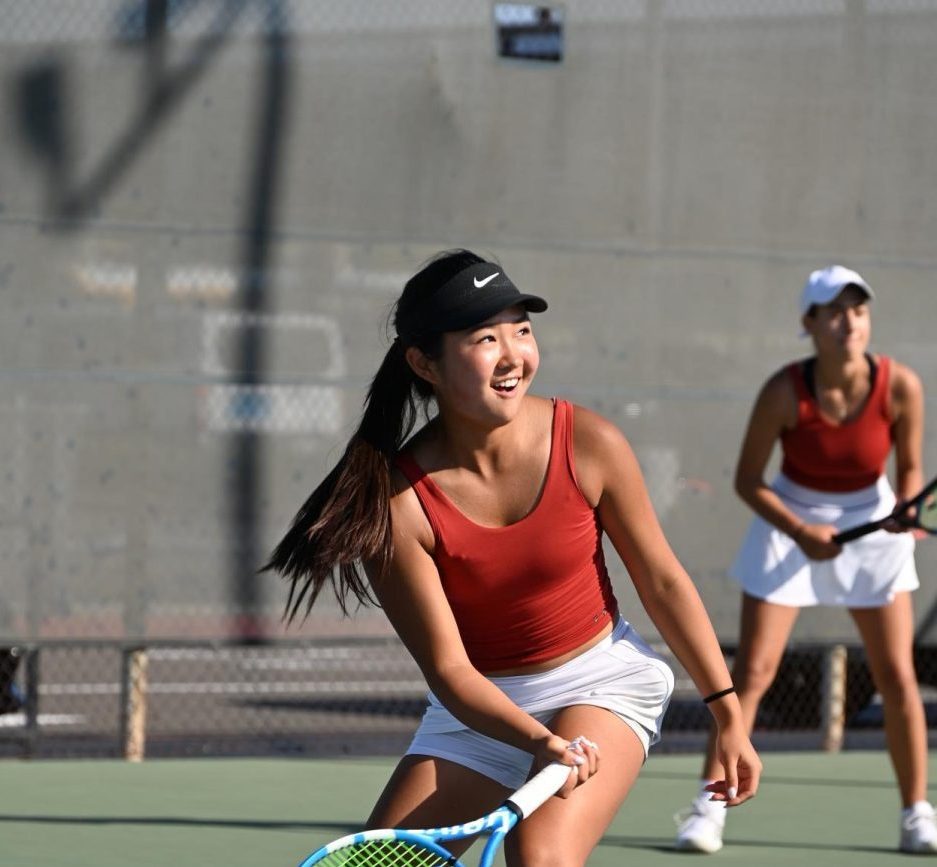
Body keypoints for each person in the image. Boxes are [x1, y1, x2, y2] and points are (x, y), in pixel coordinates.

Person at [268, 249, 761, 866]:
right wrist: (538, 741)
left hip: (601, 681)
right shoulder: (396, 507)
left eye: (522, 331)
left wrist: (727, 711)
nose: (513, 355)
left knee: (540, 856)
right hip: (476, 709)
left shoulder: (589, 443)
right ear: (424, 363)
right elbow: (450, 672)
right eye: (485, 338)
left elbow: (662, 582)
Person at [674, 265, 935, 855]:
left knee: (898, 676)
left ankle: (917, 812)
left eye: (859, 310)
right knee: (752, 676)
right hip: (788, 521)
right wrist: (799, 528)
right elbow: (747, 479)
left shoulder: (901, 387)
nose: (850, 322)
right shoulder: (783, 391)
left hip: (873, 521)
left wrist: (909, 513)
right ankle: (707, 808)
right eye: (835, 311)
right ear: (809, 324)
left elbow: (911, 468)